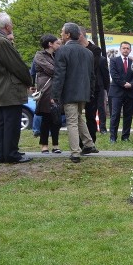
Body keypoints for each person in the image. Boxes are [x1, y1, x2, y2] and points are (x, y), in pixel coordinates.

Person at [0, 12, 34, 164]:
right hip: (9, 89)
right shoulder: (2, 42)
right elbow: (16, 65)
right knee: (12, 124)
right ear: (7, 26)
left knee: (1, 124)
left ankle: (2, 154)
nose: (12, 27)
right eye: (11, 24)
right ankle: (12, 154)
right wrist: (29, 80)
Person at [52, 23, 98, 164]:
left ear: (68, 35)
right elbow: (92, 76)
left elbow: (59, 76)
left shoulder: (62, 51)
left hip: (69, 92)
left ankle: (75, 152)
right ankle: (89, 144)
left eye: (62, 32)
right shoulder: (88, 52)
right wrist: (90, 92)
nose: (60, 34)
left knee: (71, 121)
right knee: (78, 118)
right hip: (83, 92)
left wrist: (55, 95)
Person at [32, 34, 63, 153]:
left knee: (56, 117)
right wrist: (59, 70)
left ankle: (56, 144)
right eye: (57, 43)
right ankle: (44, 144)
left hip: (57, 89)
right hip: (46, 90)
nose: (59, 46)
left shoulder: (57, 55)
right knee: (46, 117)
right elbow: (54, 70)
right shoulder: (39, 55)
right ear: (50, 44)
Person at [108, 41, 133, 143]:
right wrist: (124, 83)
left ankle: (125, 136)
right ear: (120, 49)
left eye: (127, 48)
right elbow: (114, 74)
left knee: (128, 115)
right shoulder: (114, 60)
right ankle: (113, 137)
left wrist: (131, 84)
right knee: (115, 115)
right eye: (124, 48)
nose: (125, 50)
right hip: (117, 91)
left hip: (130, 92)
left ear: (130, 50)